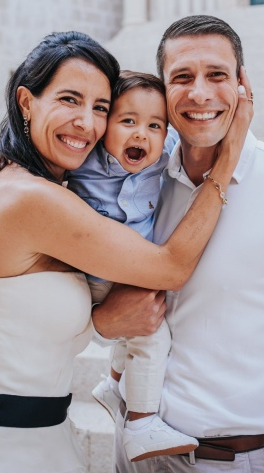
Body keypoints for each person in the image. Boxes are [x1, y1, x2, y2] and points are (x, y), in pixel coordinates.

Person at [0, 30, 252, 473]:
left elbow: (26, 328)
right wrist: (229, 156)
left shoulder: (39, 184)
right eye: (69, 99)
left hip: (36, 433)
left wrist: (101, 322)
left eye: (101, 107)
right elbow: (171, 267)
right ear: (27, 102)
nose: (88, 123)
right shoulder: (31, 198)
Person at [91, 15, 264, 473]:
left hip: (226, 459)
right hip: (132, 448)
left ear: (242, 84)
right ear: (161, 91)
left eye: (216, 75)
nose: (199, 93)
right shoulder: (141, 182)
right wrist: (104, 320)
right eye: (182, 77)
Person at [66, 70, 192, 462]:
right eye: (128, 121)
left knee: (133, 334)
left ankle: (113, 383)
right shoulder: (84, 161)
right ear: (104, 128)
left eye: (154, 125)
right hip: (100, 273)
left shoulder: (162, 154)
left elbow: (186, 131)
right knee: (152, 337)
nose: (142, 134)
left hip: (136, 266)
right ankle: (140, 422)